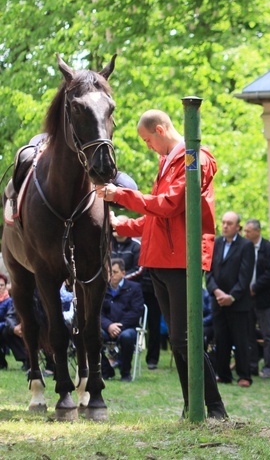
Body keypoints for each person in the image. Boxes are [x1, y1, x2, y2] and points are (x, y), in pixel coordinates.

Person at [95, 109, 228, 419]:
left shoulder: (195, 159)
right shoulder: (167, 161)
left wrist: (123, 195)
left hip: (183, 259)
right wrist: (125, 226)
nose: (148, 146)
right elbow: (158, 217)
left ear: (159, 129)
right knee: (178, 338)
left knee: (185, 338)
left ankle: (215, 408)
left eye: (147, 140)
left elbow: (170, 205)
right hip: (160, 260)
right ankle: (189, 405)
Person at [205, 211, 254, 388]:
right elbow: (208, 272)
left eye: (230, 223)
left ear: (238, 227)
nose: (225, 226)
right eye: (224, 222)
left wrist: (231, 296)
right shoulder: (216, 243)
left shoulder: (245, 246)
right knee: (221, 338)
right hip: (218, 302)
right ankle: (223, 374)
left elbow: (245, 275)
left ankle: (244, 375)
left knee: (240, 340)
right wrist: (217, 292)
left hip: (238, 303)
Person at [111, 215, 161, 371]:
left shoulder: (136, 245)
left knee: (152, 322)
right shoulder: (107, 244)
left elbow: (140, 268)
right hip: (113, 291)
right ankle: (114, 357)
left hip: (143, 289)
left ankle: (152, 358)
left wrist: (121, 279)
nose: (115, 228)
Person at [243, 218, 270, 379]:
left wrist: (255, 288)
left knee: (268, 335)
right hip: (247, 299)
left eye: (249, 231)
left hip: (266, 299)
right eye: (245, 231)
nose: (246, 234)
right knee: (249, 333)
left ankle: (268, 367)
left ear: (257, 231)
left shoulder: (268, 248)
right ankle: (251, 366)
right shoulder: (244, 248)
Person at [101, 258, 144, 382]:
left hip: (127, 327)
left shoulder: (134, 288)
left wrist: (119, 326)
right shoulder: (102, 288)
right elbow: (98, 313)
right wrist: (109, 326)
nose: (111, 275)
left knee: (127, 337)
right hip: (106, 327)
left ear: (123, 273)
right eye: (109, 272)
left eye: (115, 272)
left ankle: (125, 372)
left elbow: (136, 311)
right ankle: (106, 369)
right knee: (93, 335)